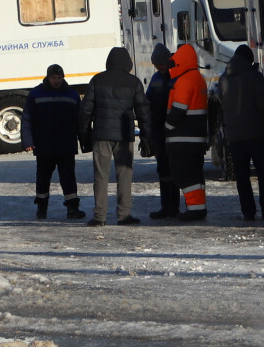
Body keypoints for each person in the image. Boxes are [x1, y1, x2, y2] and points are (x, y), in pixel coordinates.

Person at [79, 45, 149, 226]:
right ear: (128, 63)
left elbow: (86, 111)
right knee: (124, 175)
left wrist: (85, 135)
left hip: (101, 134)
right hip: (125, 136)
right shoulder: (134, 83)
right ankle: (124, 215)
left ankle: (99, 216)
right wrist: (147, 136)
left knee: (101, 176)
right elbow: (143, 112)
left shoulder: (97, 80)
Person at [216, 44, 264, 221]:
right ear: (249, 59)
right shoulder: (255, 77)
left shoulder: (223, 78)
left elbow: (222, 105)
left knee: (242, 176)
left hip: (234, 136)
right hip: (256, 133)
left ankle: (248, 211)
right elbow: (263, 104)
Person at [21, 63, 85, 220]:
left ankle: (72, 209)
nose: (56, 81)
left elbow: (80, 120)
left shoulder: (72, 95)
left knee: (68, 178)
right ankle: (41, 208)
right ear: (48, 77)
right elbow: (27, 118)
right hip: (44, 145)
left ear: (63, 78)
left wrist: (84, 141)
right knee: (42, 178)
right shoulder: (35, 94)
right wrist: (27, 141)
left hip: (66, 145)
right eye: (53, 78)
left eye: (59, 78)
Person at [164, 42, 210, 221]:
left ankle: (195, 209)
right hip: (196, 139)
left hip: (182, 139)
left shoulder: (184, 81)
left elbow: (178, 110)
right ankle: (198, 207)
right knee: (195, 175)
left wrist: (167, 128)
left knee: (183, 174)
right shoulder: (198, 78)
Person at [144, 43, 180, 219]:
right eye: (156, 65)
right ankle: (167, 207)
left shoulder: (175, 76)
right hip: (159, 128)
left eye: (160, 64)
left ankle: (174, 206)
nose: (158, 67)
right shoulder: (157, 78)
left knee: (173, 168)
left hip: (173, 128)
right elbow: (148, 99)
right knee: (163, 169)